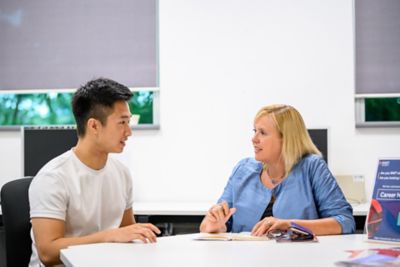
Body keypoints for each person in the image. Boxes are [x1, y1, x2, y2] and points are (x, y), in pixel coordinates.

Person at [28, 78, 160, 266]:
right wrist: (109, 236)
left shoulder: (121, 173)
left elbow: (128, 231)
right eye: (122, 123)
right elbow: (48, 253)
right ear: (94, 126)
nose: (129, 132)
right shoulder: (53, 178)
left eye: (129, 122)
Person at [200, 104, 355, 236]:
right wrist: (213, 225)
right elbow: (213, 223)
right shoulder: (243, 170)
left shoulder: (312, 167)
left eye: (263, 132)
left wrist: (291, 225)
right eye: (255, 131)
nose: (254, 139)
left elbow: (345, 222)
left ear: (286, 139)